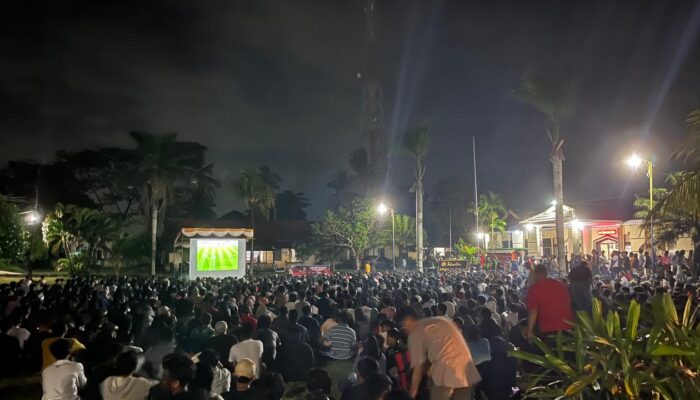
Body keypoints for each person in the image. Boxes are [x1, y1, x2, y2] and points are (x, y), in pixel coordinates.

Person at [398, 308, 481, 400]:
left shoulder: (415, 332)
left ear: (407, 321)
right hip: (467, 372)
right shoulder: (441, 320)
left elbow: (418, 368)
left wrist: (412, 394)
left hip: (445, 375)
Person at [526, 264, 574, 341]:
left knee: (550, 352)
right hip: (568, 327)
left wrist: (529, 331)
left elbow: (533, 312)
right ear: (546, 273)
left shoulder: (534, 288)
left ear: (535, 274)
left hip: (548, 329)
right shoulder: (559, 284)